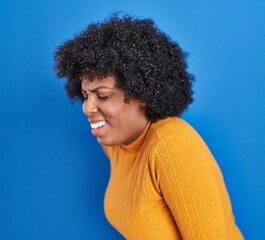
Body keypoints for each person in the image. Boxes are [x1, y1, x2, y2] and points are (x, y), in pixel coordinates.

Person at [54, 14, 244, 240]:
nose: (87, 108)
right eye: (85, 95)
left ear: (142, 94)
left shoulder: (172, 147)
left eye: (103, 95)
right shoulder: (116, 144)